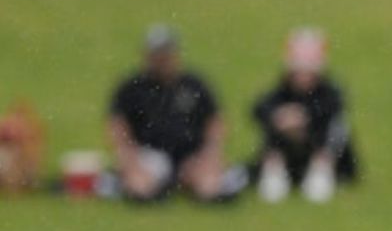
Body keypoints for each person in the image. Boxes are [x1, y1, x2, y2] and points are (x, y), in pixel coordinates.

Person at [106, 25, 240, 203]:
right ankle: (151, 190)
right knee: (141, 187)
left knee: (209, 187)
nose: (163, 60)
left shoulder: (194, 85)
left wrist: (211, 154)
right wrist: (130, 159)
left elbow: (215, 122)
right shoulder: (133, 88)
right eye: (158, 54)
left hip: (191, 155)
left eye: (166, 54)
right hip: (150, 155)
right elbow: (117, 126)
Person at [251, 28, 358, 203]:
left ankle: (322, 170)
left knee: (336, 128)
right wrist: (281, 118)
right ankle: (274, 171)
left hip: (324, 151)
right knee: (273, 131)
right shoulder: (281, 91)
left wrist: (303, 117)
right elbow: (259, 108)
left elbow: (333, 110)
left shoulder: (330, 92)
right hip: (289, 153)